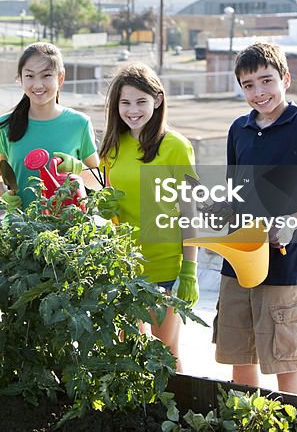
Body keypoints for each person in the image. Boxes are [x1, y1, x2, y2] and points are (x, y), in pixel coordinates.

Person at [215, 42, 297, 394]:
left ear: (285, 78)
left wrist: (294, 221)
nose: (259, 93)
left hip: (283, 269)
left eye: (266, 81)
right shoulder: (238, 130)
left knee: (284, 363)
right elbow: (236, 192)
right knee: (239, 360)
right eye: (248, 85)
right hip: (238, 265)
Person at [98, 63, 198, 369]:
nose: (133, 110)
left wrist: (189, 272)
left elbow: (189, 213)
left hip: (165, 268)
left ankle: (180, 416)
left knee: (165, 351)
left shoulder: (176, 147)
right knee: (127, 349)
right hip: (124, 267)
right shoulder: (112, 147)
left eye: (141, 101)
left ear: (157, 99)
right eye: (125, 103)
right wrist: (105, 206)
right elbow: (109, 199)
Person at [0, 42, 99, 211]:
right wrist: (4, 197)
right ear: (20, 78)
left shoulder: (79, 124)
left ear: (60, 77)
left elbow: (99, 180)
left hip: (67, 229)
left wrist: (77, 168)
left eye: (46, 75)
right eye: (30, 76)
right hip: (20, 229)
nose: (38, 84)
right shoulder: (5, 125)